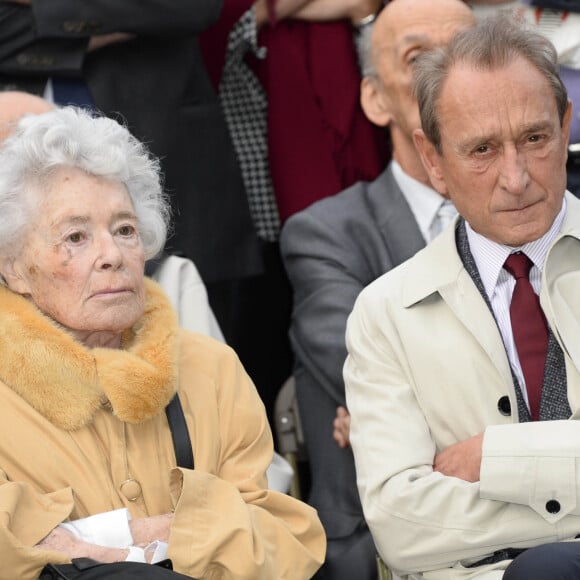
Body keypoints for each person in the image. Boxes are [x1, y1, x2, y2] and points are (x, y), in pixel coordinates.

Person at [0, 106, 325, 579]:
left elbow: (285, 542)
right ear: (13, 268)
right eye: (75, 237)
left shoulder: (211, 368)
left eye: (125, 229)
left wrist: (124, 537)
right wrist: (192, 530)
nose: (112, 255)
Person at [345, 15, 580, 580]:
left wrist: (497, 460)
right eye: (482, 150)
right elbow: (401, 527)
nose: (516, 176)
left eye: (534, 138)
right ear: (434, 161)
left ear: (566, 124)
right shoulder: (385, 314)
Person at [279, 1, 476, 578]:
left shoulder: (545, 219)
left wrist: (392, 414)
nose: (446, 70)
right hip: (379, 545)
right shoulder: (323, 234)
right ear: (373, 97)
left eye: (464, 51)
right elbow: (369, 368)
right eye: (418, 56)